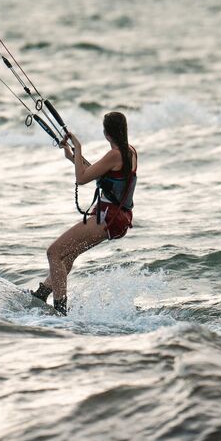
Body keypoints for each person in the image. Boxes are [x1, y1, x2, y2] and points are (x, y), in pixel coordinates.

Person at [31, 111, 137, 316]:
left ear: (106, 133)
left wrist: (78, 148)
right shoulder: (130, 152)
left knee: (53, 253)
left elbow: (81, 178)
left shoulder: (114, 155)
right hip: (117, 218)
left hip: (108, 217)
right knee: (67, 255)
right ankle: (41, 294)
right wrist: (72, 157)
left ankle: (60, 310)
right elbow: (94, 173)